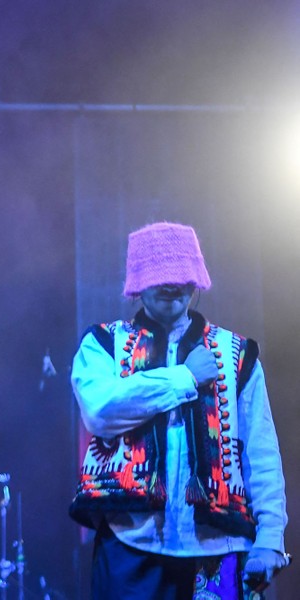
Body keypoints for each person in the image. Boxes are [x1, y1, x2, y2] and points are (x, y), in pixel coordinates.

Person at [69, 222, 289, 599]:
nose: (171, 285)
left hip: (219, 546)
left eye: (180, 276)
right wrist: (185, 377)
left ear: (196, 281)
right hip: (129, 543)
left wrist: (270, 537)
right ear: (138, 283)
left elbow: (261, 450)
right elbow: (100, 411)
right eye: (160, 276)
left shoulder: (236, 353)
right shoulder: (104, 343)